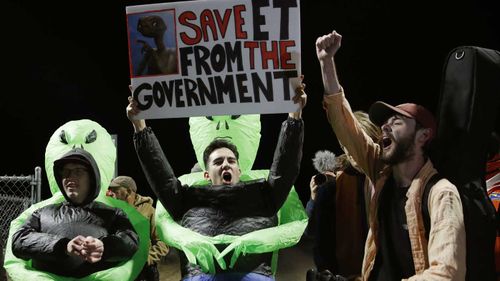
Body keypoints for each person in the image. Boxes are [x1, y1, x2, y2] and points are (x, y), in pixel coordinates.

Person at [316, 30, 466, 280]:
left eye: (396, 122)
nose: (385, 126)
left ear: (423, 135)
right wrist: (326, 62)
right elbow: (346, 126)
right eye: (385, 122)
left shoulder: (441, 194)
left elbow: (446, 274)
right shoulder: (381, 175)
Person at [126, 85, 306, 281]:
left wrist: (294, 116)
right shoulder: (187, 198)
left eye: (231, 161)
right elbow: (159, 173)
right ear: (206, 173)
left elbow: (286, 166)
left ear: (239, 169)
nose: (225, 165)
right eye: (218, 162)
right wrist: (139, 126)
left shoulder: (264, 194)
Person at [11, 148, 140, 278]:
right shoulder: (42, 212)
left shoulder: (113, 213)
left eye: (78, 171)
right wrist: (62, 246)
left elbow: (131, 241)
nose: (70, 177)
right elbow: (18, 241)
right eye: (66, 172)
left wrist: (105, 247)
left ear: (91, 178)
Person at [306, 112, 380, 281]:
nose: (351, 149)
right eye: (346, 142)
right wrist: (313, 201)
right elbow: (313, 235)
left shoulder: (389, 178)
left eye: (357, 143)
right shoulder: (335, 184)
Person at [107, 175, 169, 281]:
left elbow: (163, 242)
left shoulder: (149, 211)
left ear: (128, 191)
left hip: (144, 272)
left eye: (116, 191)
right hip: (120, 271)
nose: (111, 195)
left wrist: (146, 259)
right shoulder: (112, 210)